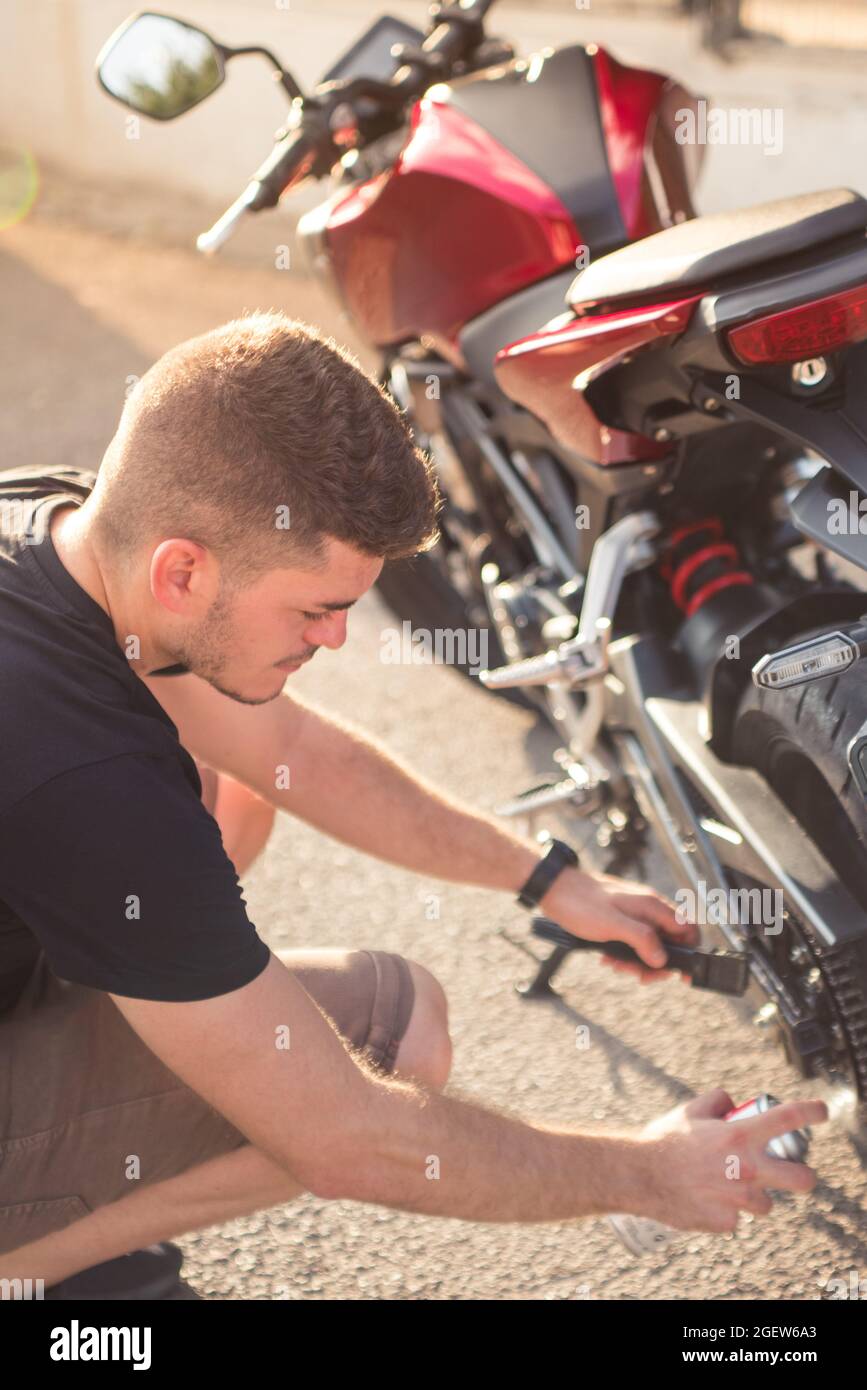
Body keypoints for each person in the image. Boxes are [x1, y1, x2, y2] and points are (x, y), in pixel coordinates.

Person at [0, 313, 826, 1298]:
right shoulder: (88, 779)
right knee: (380, 1046)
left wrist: (547, 876)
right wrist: (651, 1172)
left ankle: (81, 1176)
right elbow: (347, 1138)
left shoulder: (63, 529)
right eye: (314, 609)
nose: (338, 640)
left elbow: (296, 752)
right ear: (183, 569)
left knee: (240, 795)